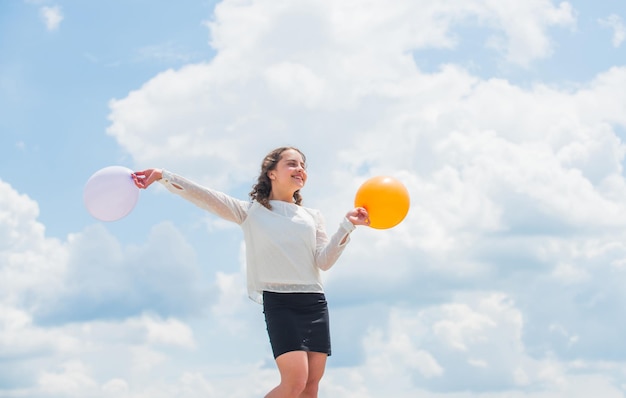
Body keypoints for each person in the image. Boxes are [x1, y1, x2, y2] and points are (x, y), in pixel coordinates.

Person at [132, 146, 369, 398]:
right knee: (295, 382)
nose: (300, 169)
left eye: (303, 165)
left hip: (314, 302)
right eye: (291, 163)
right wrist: (163, 176)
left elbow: (323, 261)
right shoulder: (251, 212)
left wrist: (347, 226)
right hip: (280, 302)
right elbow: (204, 195)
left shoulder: (313, 216)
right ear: (271, 173)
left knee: (311, 386)